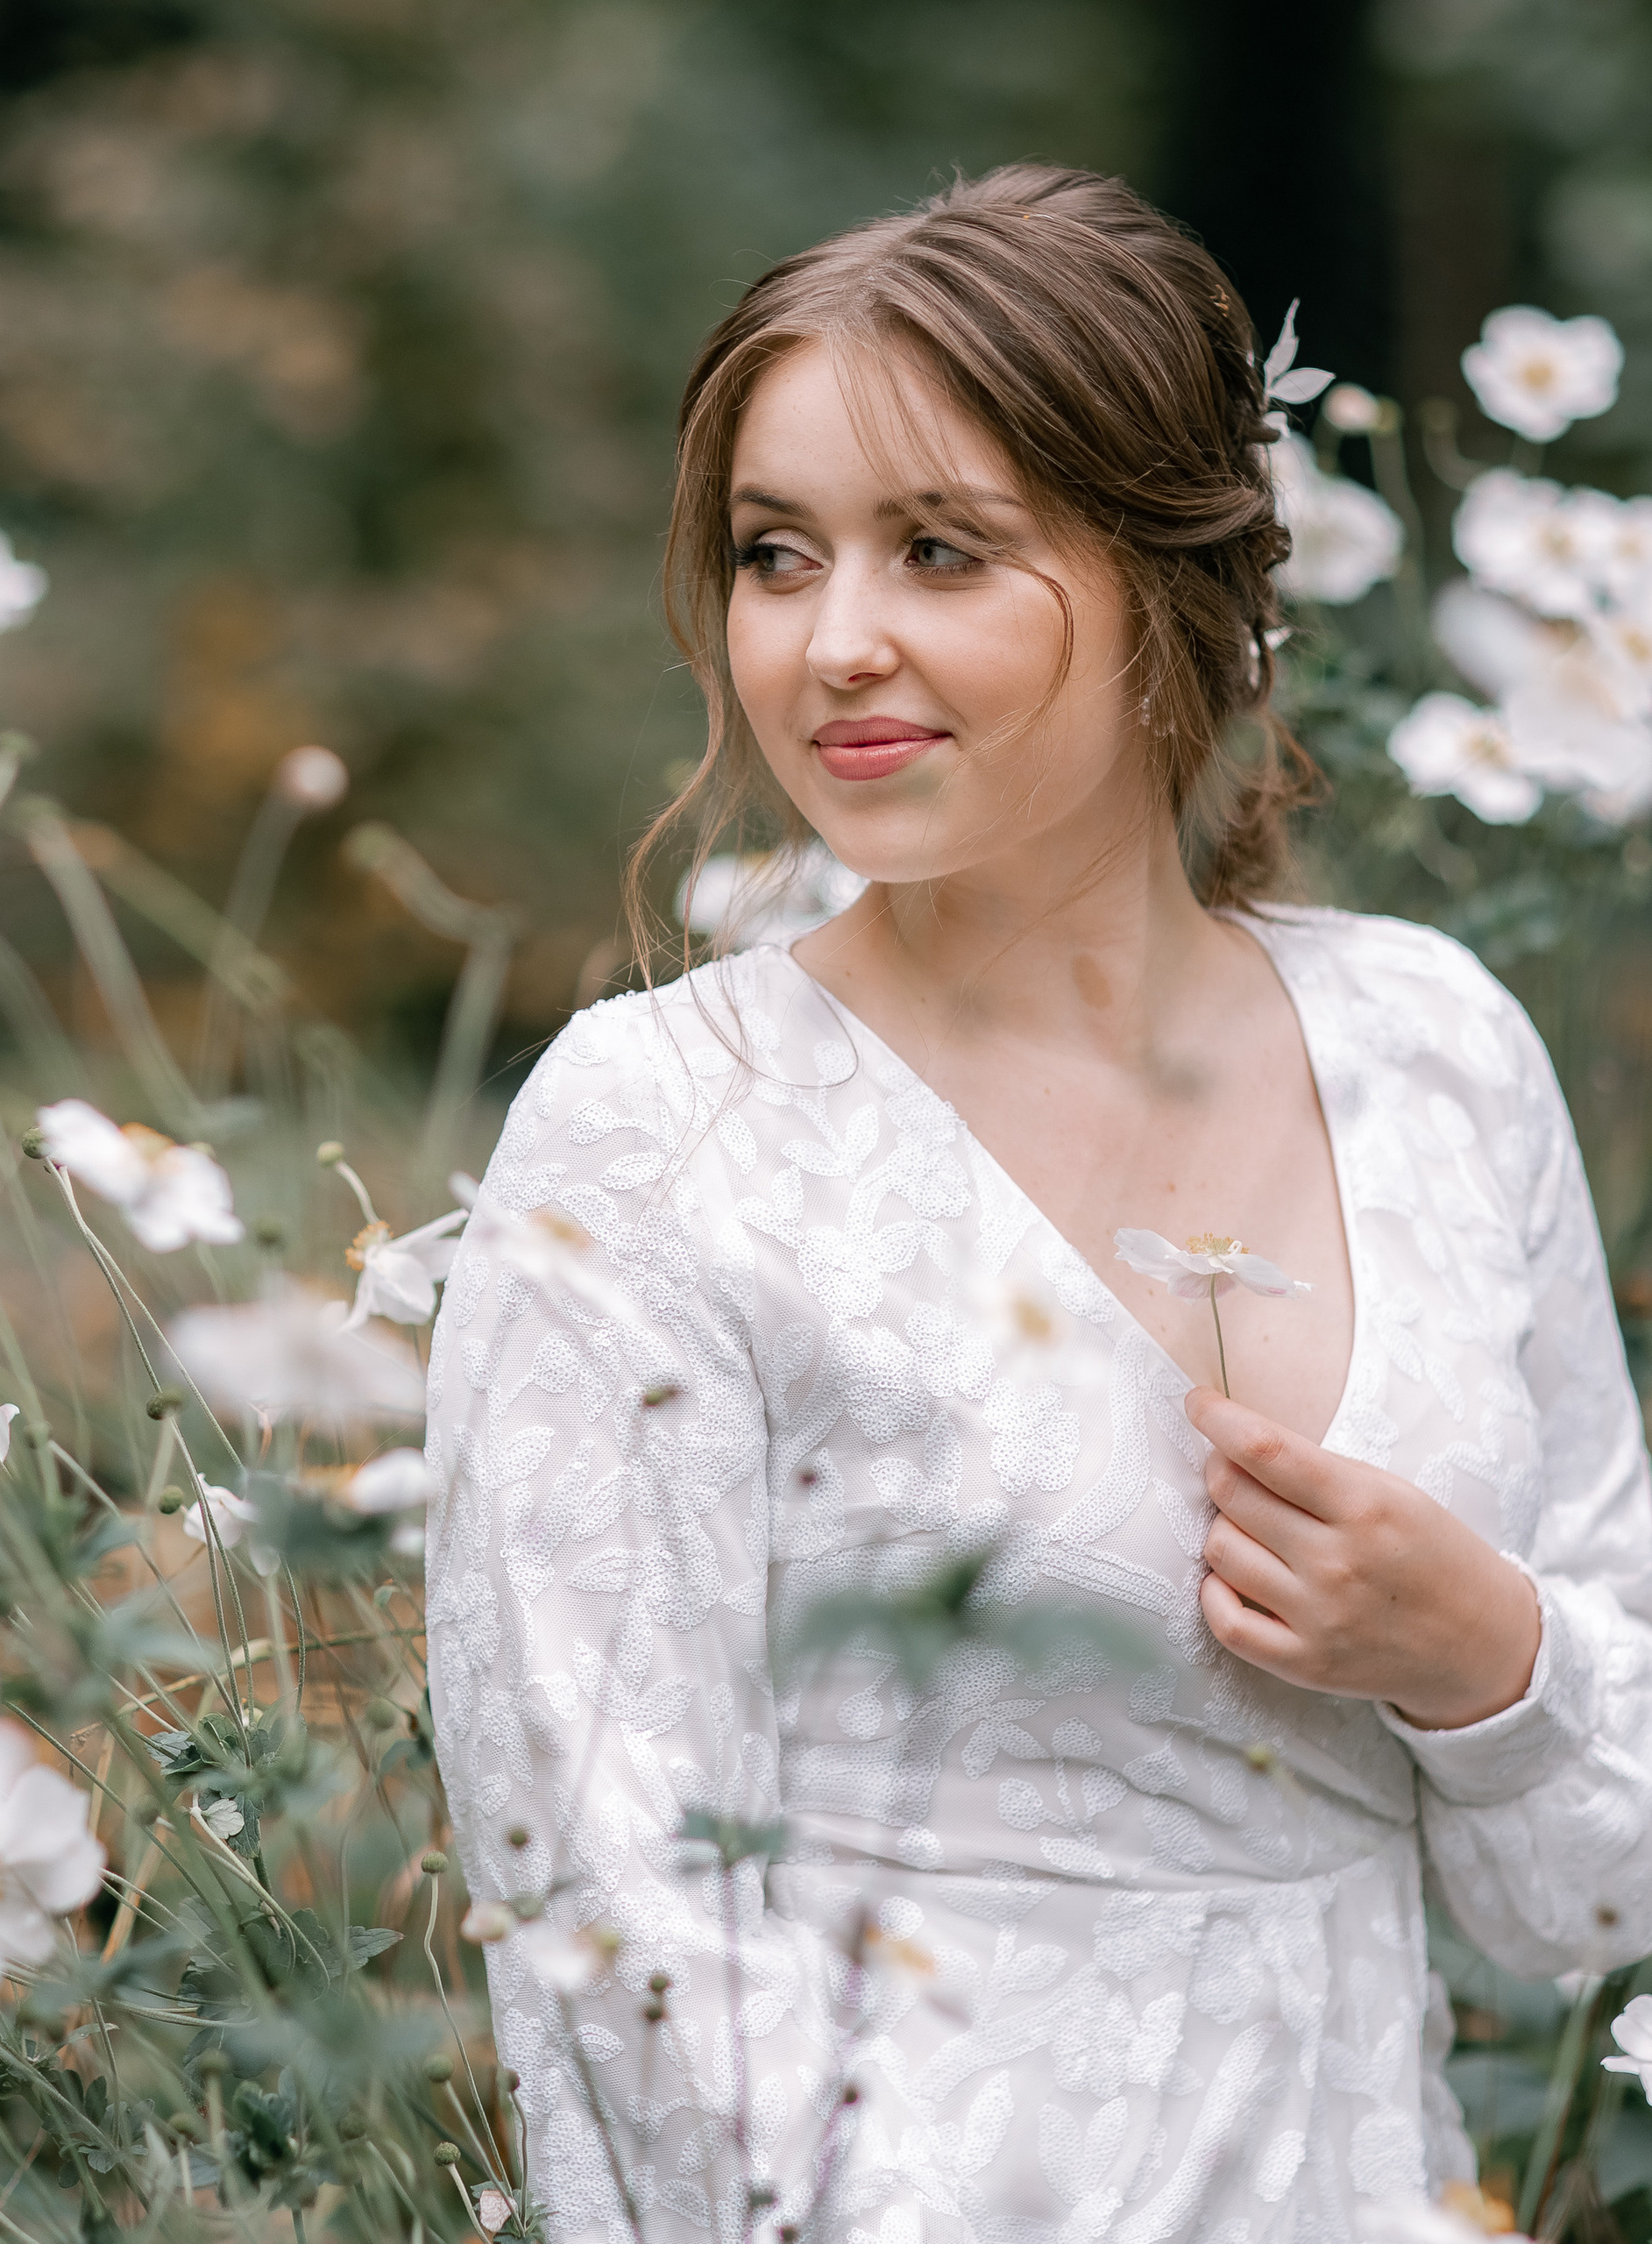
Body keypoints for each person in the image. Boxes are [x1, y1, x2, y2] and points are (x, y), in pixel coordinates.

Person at [422, 165, 1652, 2244]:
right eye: (772, 553)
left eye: (938, 548)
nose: (832, 642)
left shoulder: (1430, 1046)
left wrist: (1483, 1657)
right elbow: (614, 1922)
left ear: (1164, 572)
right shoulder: (660, 1132)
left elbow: (1582, 1912)